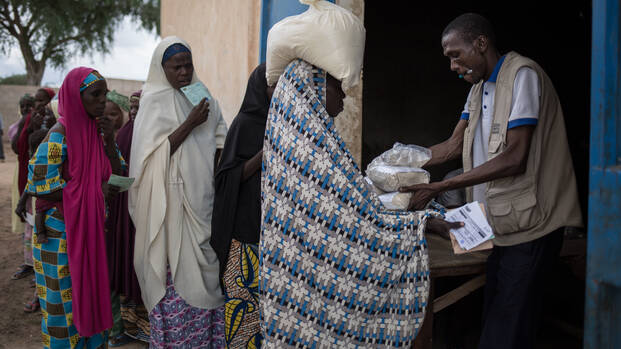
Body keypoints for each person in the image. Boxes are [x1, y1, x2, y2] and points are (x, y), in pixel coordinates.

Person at [399, 13, 583, 349]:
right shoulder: (478, 89)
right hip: (500, 225)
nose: (454, 66)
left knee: (505, 332)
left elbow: (515, 158)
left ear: (481, 43)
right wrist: (399, 161)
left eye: (456, 55)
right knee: (498, 322)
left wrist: (439, 188)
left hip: (533, 228)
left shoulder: (522, 76)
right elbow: (454, 145)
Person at [129, 36, 228, 348]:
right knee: (174, 283)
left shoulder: (201, 94)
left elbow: (220, 136)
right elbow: (146, 164)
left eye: (189, 65)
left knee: (208, 280)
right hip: (170, 209)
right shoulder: (152, 101)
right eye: (177, 67)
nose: (185, 72)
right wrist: (188, 124)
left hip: (202, 204)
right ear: (163, 69)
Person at [25, 67, 125, 348]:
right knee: (63, 303)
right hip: (59, 237)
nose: (102, 101)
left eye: (105, 95)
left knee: (92, 293)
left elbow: (118, 173)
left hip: (91, 232)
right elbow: (39, 182)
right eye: (96, 94)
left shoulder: (99, 132)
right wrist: (95, 190)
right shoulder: (60, 134)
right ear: (75, 97)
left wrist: (109, 142)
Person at [211, 63, 273, 348]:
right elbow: (226, 178)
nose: (277, 91)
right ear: (261, 88)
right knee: (243, 316)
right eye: (272, 85)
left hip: (272, 236)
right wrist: (265, 153)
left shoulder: (287, 125)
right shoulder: (244, 124)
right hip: (244, 236)